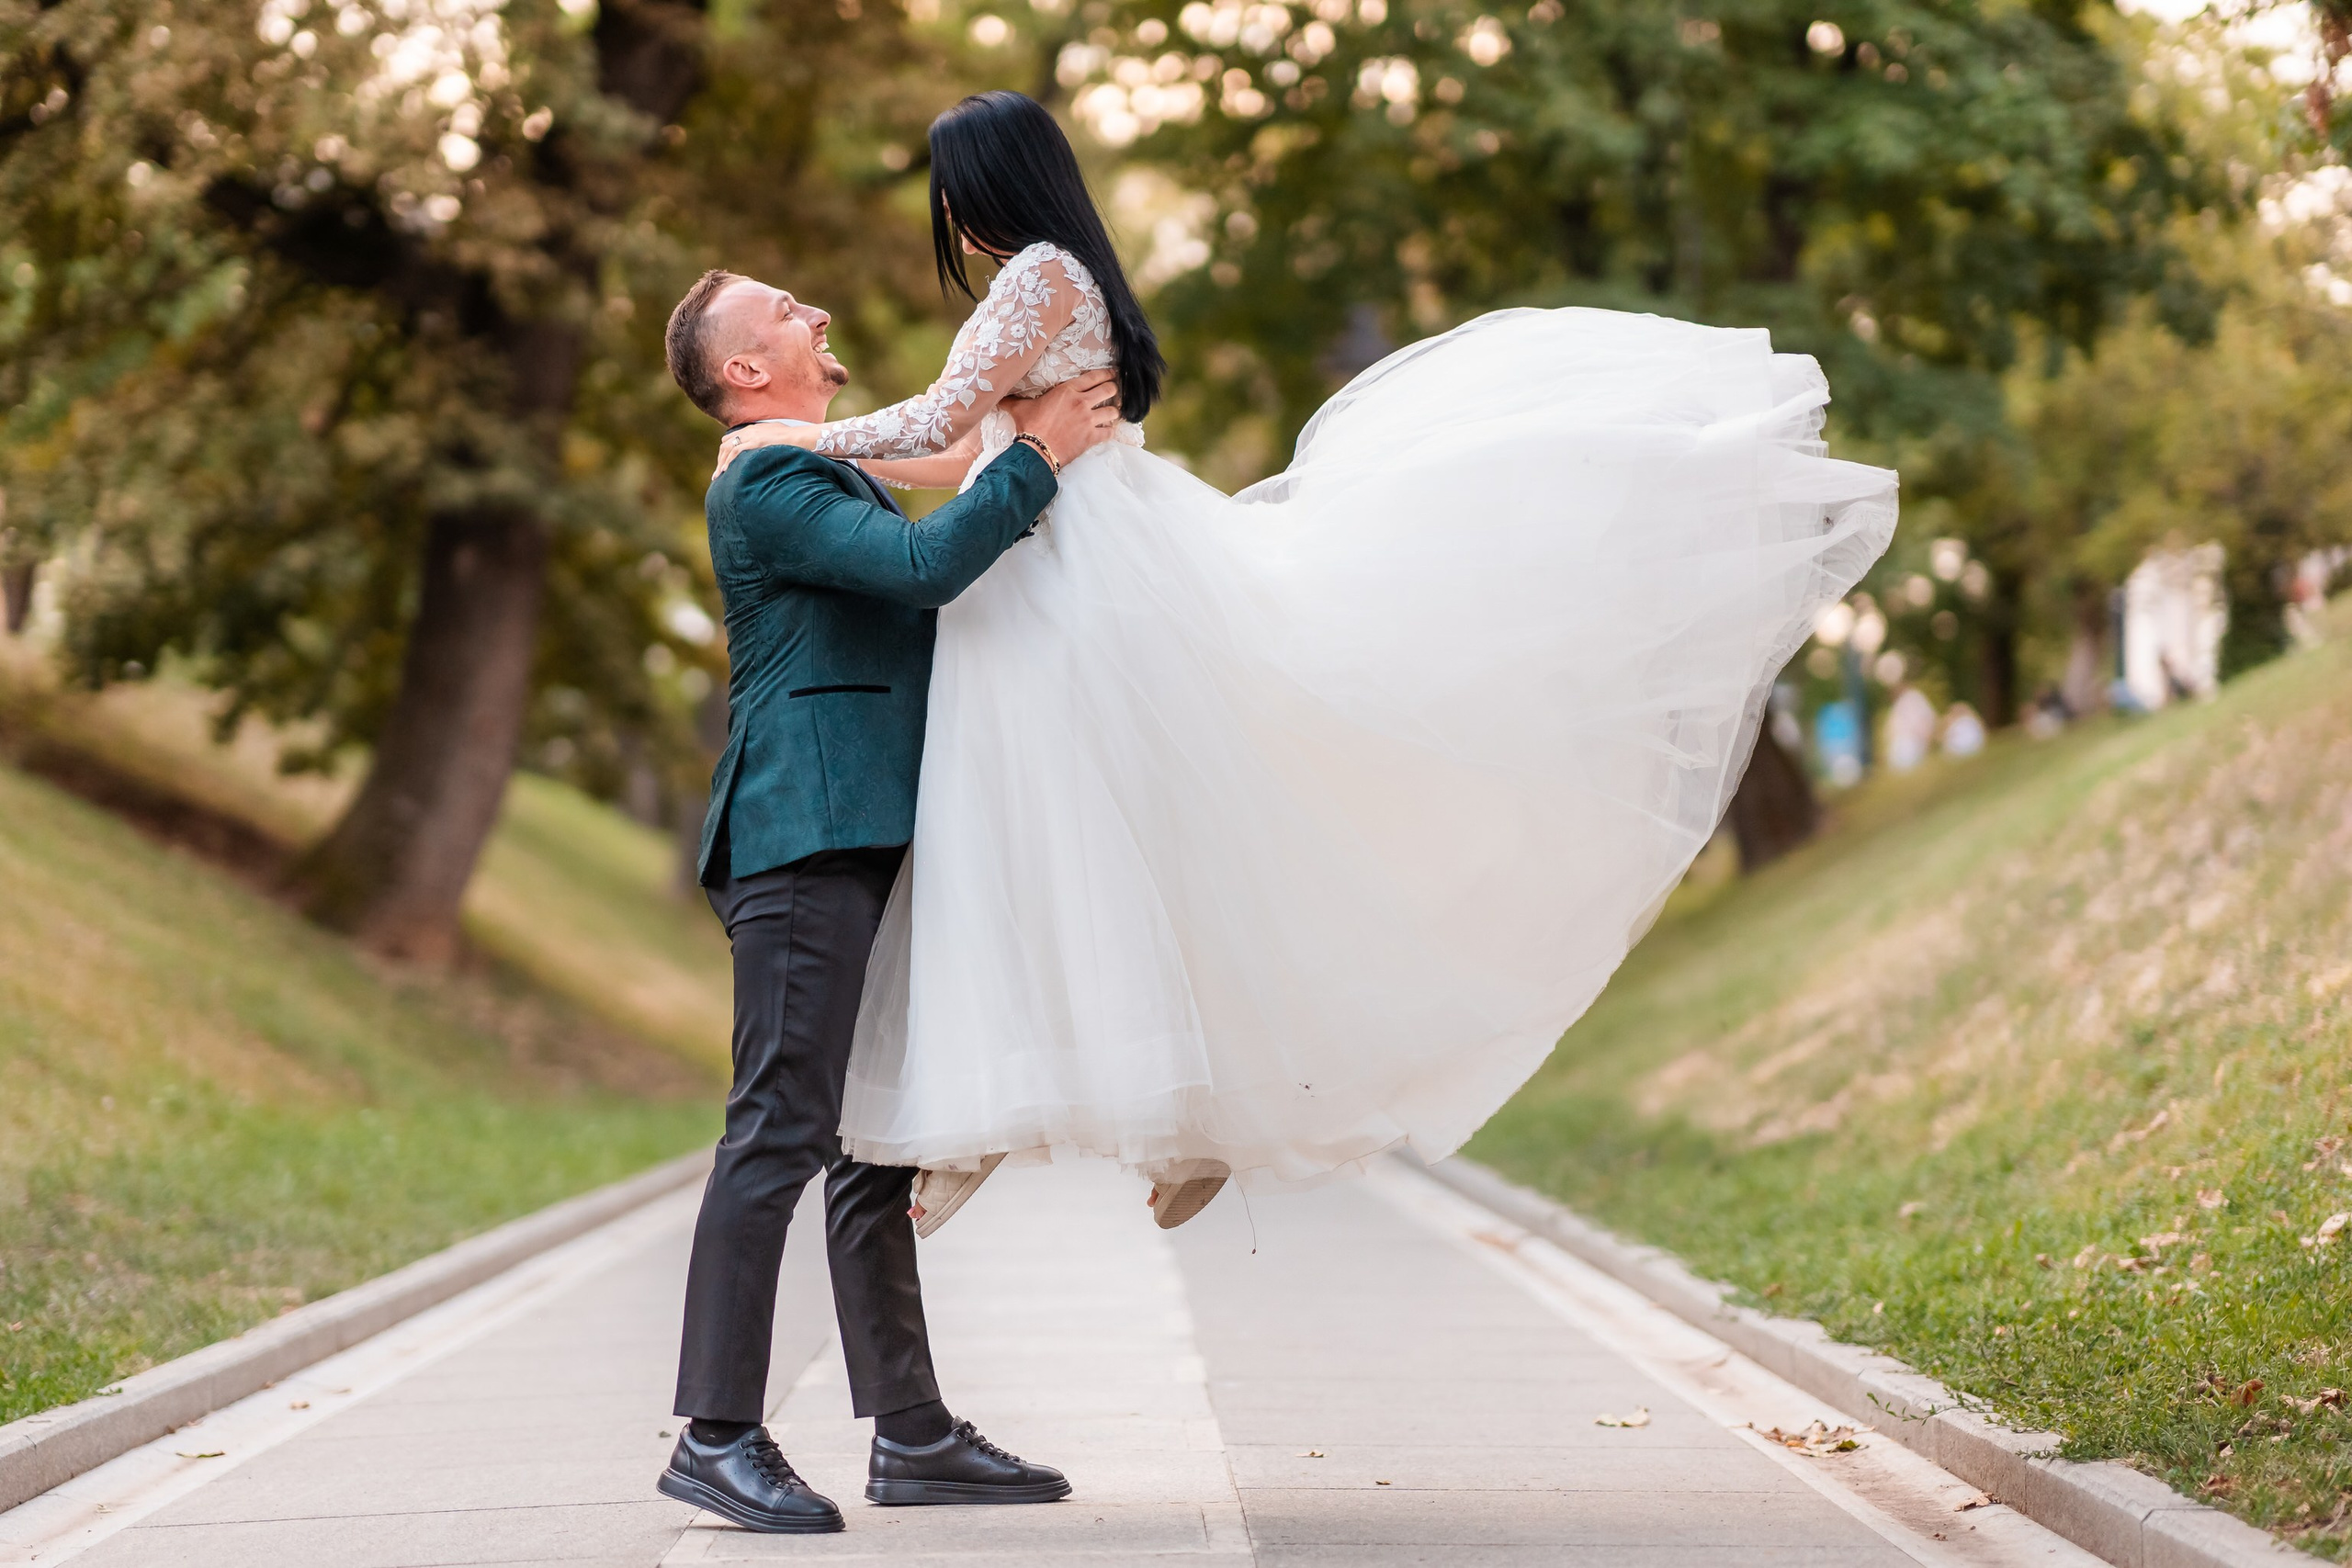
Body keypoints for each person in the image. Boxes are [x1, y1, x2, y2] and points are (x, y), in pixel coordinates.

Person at [719, 91, 1900, 1234]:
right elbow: (967, 453)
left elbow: (938, 418)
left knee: (1043, 826)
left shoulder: (1038, 276)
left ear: (985, 186)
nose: (948, 217)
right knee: (1087, 835)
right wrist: (841, 463)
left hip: (1068, 572)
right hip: (1054, 550)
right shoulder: (1061, 282)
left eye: (949, 191)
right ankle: (1118, 1122)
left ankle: (1064, 1121)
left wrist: (785, 437)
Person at [654, 264, 1125, 1533]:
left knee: (873, 1142)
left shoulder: (826, 465)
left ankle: (911, 1432)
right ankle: (715, 1435)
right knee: (780, 1128)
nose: (816, 310)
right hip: (802, 833)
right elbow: (925, 568)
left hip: (871, 832)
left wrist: (1025, 429)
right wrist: (1039, 454)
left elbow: (945, 483)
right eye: (785, 311)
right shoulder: (767, 479)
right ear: (745, 370)